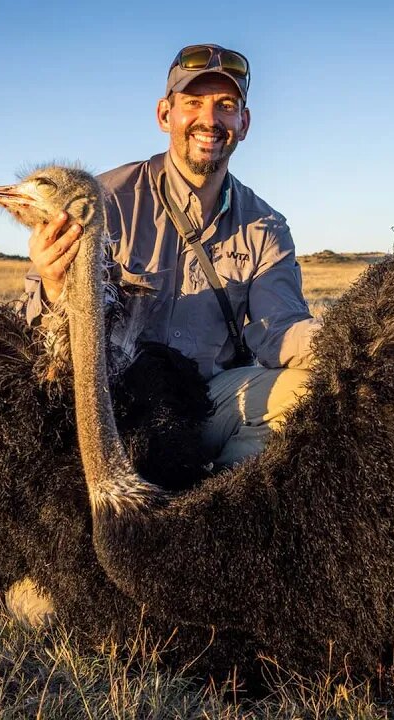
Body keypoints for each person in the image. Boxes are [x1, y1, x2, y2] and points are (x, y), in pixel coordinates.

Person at [20, 43, 319, 468]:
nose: (209, 120)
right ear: (165, 114)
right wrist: (51, 282)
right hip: (111, 401)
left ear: (244, 122)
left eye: (226, 106)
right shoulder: (102, 201)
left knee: (305, 394)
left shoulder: (264, 225)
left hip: (206, 400)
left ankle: (218, 509)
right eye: (193, 103)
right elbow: (31, 319)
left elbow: (281, 329)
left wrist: (355, 343)